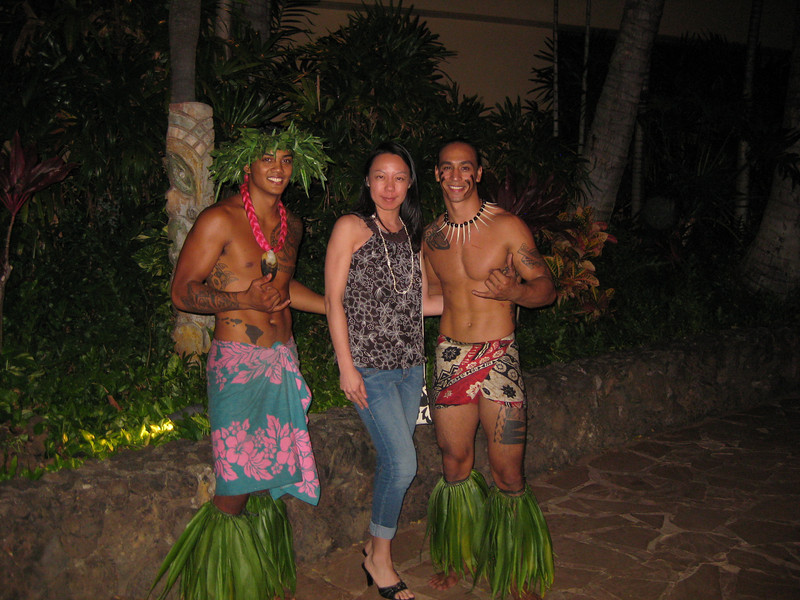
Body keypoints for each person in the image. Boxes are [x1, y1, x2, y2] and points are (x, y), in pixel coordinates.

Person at [151, 124, 329, 600]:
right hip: (238, 363)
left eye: (286, 159)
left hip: (282, 357)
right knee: (234, 483)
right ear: (246, 166)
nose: (278, 168)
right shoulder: (220, 220)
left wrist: (335, 307)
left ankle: (260, 574)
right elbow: (182, 291)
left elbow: (283, 290)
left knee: (269, 477)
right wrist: (240, 298)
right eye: (267, 158)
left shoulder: (293, 225)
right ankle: (216, 584)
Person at [422, 139, 557, 600]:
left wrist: (515, 292)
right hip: (450, 357)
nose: (456, 176)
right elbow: (433, 296)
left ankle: (517, 568)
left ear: (478, 174)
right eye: (447, 168)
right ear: (437, 174)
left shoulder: (507, 227)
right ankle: (458, 556)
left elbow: (546, 288)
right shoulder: (431, 236)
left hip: (499, 357)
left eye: (466, 167)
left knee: (508, 473)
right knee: (454, 462)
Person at [324, 142, 442, 600]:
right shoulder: (352, 227)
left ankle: (375, 548)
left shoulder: (413, 235)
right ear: (368, 181)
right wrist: (346, 367)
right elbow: (333, 301)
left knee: (395, 460)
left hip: (411, 368)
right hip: (369, 369)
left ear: (410, 183)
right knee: (404, 462)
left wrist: (480, 298)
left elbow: (423, 304)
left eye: (398, 177)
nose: (389, 186)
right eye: (380, 176)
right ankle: (380, 560)